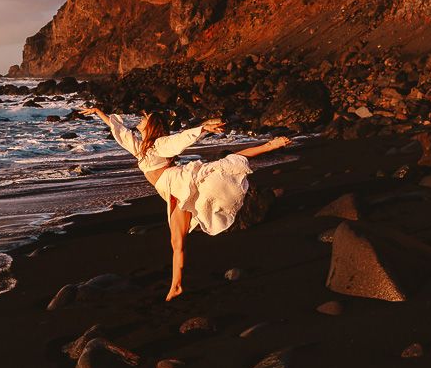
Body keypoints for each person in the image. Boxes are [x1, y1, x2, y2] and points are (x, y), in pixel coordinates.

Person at [80, 107, 290, 300]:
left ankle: (271, 144)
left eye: (146, 118)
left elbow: (182, 138)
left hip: (180, 184)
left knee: (228, 163)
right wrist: (98, 111)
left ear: (152, 125)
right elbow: (118, 128)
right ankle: (177, 286)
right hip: (172, 191)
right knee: (176, 242)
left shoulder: (160, 144)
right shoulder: (140, 147)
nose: (141, 119)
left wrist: (204, 128)